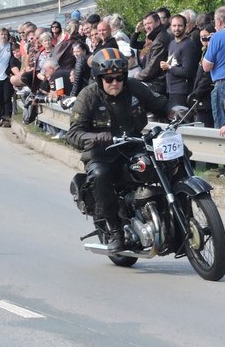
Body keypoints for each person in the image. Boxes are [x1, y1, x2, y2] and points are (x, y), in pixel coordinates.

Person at [66, 48, 182, 252]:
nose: (115, 83)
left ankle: (178, 216)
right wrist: (94, 137)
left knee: (168, 161)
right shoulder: (88, 96)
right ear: (99, 78)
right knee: (100, 175)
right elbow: (73, 133)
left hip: (132, 146)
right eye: (109, 79)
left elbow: (160, 104)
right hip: (101, 154)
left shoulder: (135, 88)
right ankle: (114, 231)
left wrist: (174, 110)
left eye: (119, 78)